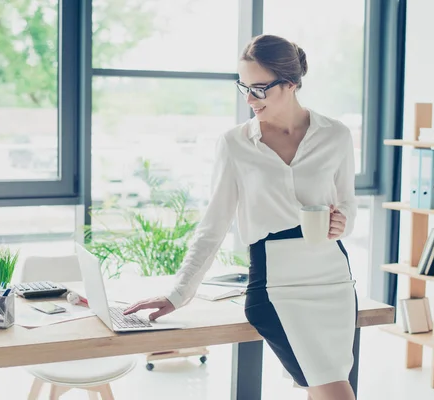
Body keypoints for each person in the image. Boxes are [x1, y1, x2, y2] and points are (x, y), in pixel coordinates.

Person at [124, 34, 358, 400]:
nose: (249, 99)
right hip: (276, 285)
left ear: (292, 84)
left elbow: (348, 206)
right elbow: (212, 226)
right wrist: (178, 293)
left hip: (332, 282)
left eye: (259, 88)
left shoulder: (337, 135)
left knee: (324, 389)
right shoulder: (234, 144)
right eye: (244, 87)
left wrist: (342, 221)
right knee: (336, 392)